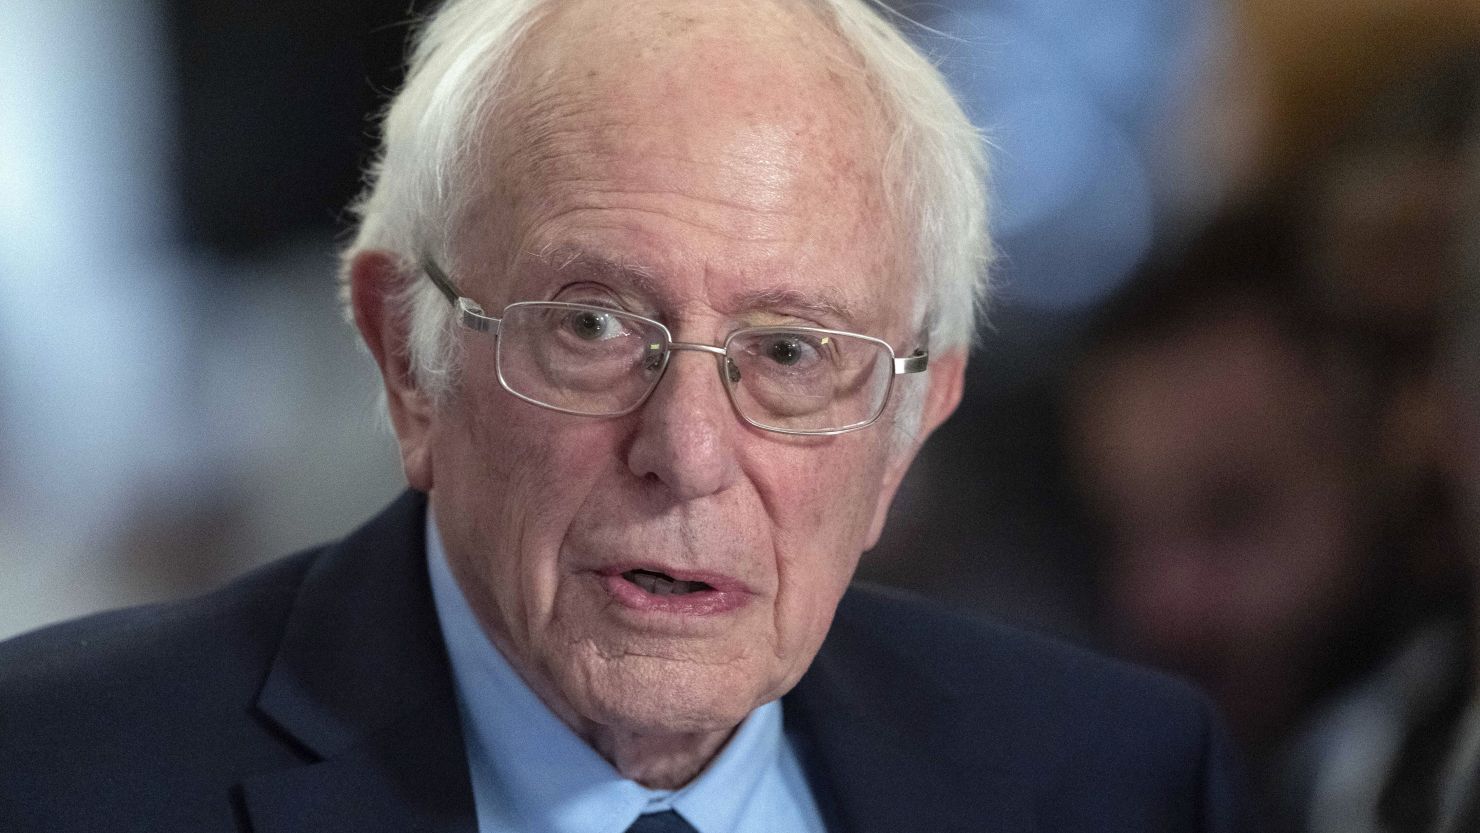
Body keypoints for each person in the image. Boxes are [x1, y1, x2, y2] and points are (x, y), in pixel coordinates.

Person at [0, 1, 1247, 831]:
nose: (689, 455)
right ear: (406, 358)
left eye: (790, 350)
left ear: (912, 422)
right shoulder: (56, 769)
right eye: (591, 327)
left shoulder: (1118, 777)